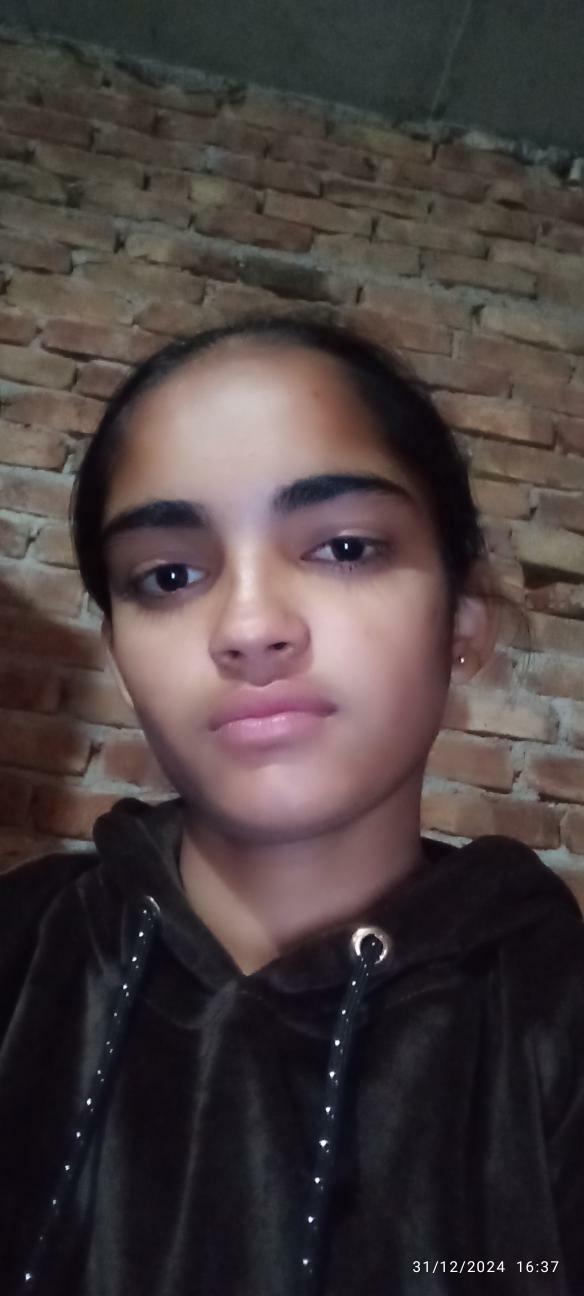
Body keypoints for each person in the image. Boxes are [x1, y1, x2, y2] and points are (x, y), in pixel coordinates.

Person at [1, 313, 583, 1296]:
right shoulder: (24, 953)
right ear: (121, 657)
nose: (248, 625)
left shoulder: (552, 1016)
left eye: (344, 547)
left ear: (462, 622)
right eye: (169, 575)